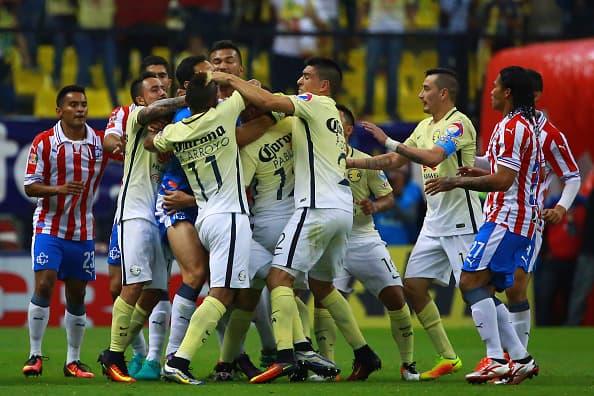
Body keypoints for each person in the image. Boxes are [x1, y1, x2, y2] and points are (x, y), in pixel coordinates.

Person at [212, 57, 382, 384]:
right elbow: (266, 108)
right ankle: (364, 353)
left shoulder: (312, 102)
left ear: (324, 85)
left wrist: (227, 79)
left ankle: (288, 356)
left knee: (278, 278)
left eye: (306, 77)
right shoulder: (321, 114)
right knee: (322, 286)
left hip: (315, 208)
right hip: (342, 210)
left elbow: (266, 101)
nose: (300, 82)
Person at [349, 68, 482, 380]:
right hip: (434, 222)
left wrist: (389, 141)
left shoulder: (458, 123)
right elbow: (395, 161)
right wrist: (353, 162)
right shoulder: (424, 125)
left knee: (477, 289)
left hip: (463, 220)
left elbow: (434, 157)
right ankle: (448, 356)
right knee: (414, 285)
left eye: (425, 88)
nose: (420, 94)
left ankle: (508, 354)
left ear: (443, 93)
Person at [424, 65, 540, 385]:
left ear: (508, 93)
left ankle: (496, 358)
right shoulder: (517, 124)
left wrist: (453, 182)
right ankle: (519, 359)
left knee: (470, 283)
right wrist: (478, 171)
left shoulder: (512, 127)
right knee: (481, 286)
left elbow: (504, 180)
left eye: (495, 86)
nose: (489, 91)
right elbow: (502, 170)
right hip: (511, 218)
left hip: (506, 218)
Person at [147, 72, 252, 386]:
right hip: (230, 216)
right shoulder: (224, 113)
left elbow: (153, 142)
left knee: (229, 293)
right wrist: (229, 78)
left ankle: (228, 360)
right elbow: (250, 95)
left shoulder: (177, 130)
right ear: (213, 99)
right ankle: (178, 360)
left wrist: (152, 125)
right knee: (221, 295)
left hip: (204, 217)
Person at [313, 103, 419, 381]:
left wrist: (374, 206)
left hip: (362, 238)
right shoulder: (312, 158)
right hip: (329, 240)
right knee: (323, 302)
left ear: (347, 130)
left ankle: (408, 364)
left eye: (335, 122)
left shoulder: (365, 160)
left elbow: (388, 197)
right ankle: (327, 366)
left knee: (396, 297)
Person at [97, 72, 187, 383]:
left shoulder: (173, 127)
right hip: (135, 213)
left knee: (156, 291)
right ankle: (115, 355)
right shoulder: (136, 116)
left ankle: (114, 353)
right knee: (133, 286)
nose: (160, 92)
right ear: (139, 99)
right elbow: (149, 113)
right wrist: (191, 97)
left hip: (162, 216)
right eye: (154, 89)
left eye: (164, 87)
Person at [22, 85, 110, 378]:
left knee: (77, 294)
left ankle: (73, 361)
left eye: (83, 104)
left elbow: (124, 152)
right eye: (73, 104)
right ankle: (35, 355)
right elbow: (30, 185)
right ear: (59, 110)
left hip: (83, 230)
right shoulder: (45, 142)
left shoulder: (98, 144)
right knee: (45, 285)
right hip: (49, 225)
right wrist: (57, 189)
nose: (80, 109)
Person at [502, 68, 580, 347]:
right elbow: (495, 166)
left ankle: (517, 356)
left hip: (528, 218)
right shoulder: (507, 127)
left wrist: (560, 208)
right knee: (481, 284)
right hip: (498, 215)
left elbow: (572, 175)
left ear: (534, 95)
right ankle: (504, 355)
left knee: (516, 286)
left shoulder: (549, 134)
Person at [361, 0, 417, 120]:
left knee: (392, 72)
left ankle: (391, 110)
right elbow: (365, 4)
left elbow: (410, 5)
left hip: (395, 30)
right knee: (371, 70)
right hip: (376, 29)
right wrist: (359, 21)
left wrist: (412, 23)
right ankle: (368, 108)